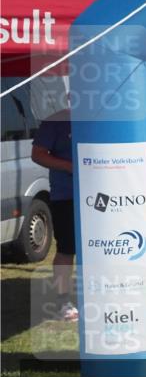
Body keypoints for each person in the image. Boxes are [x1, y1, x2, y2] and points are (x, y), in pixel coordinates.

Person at [31, 108, 77, 321]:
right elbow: (38, 154)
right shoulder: (56, 120)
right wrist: (68, 166)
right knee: (67, 249)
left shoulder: (103, 116)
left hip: (102, 194)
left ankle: (103, 294)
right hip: (66, 195)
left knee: (103, 246)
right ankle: (63, 301)